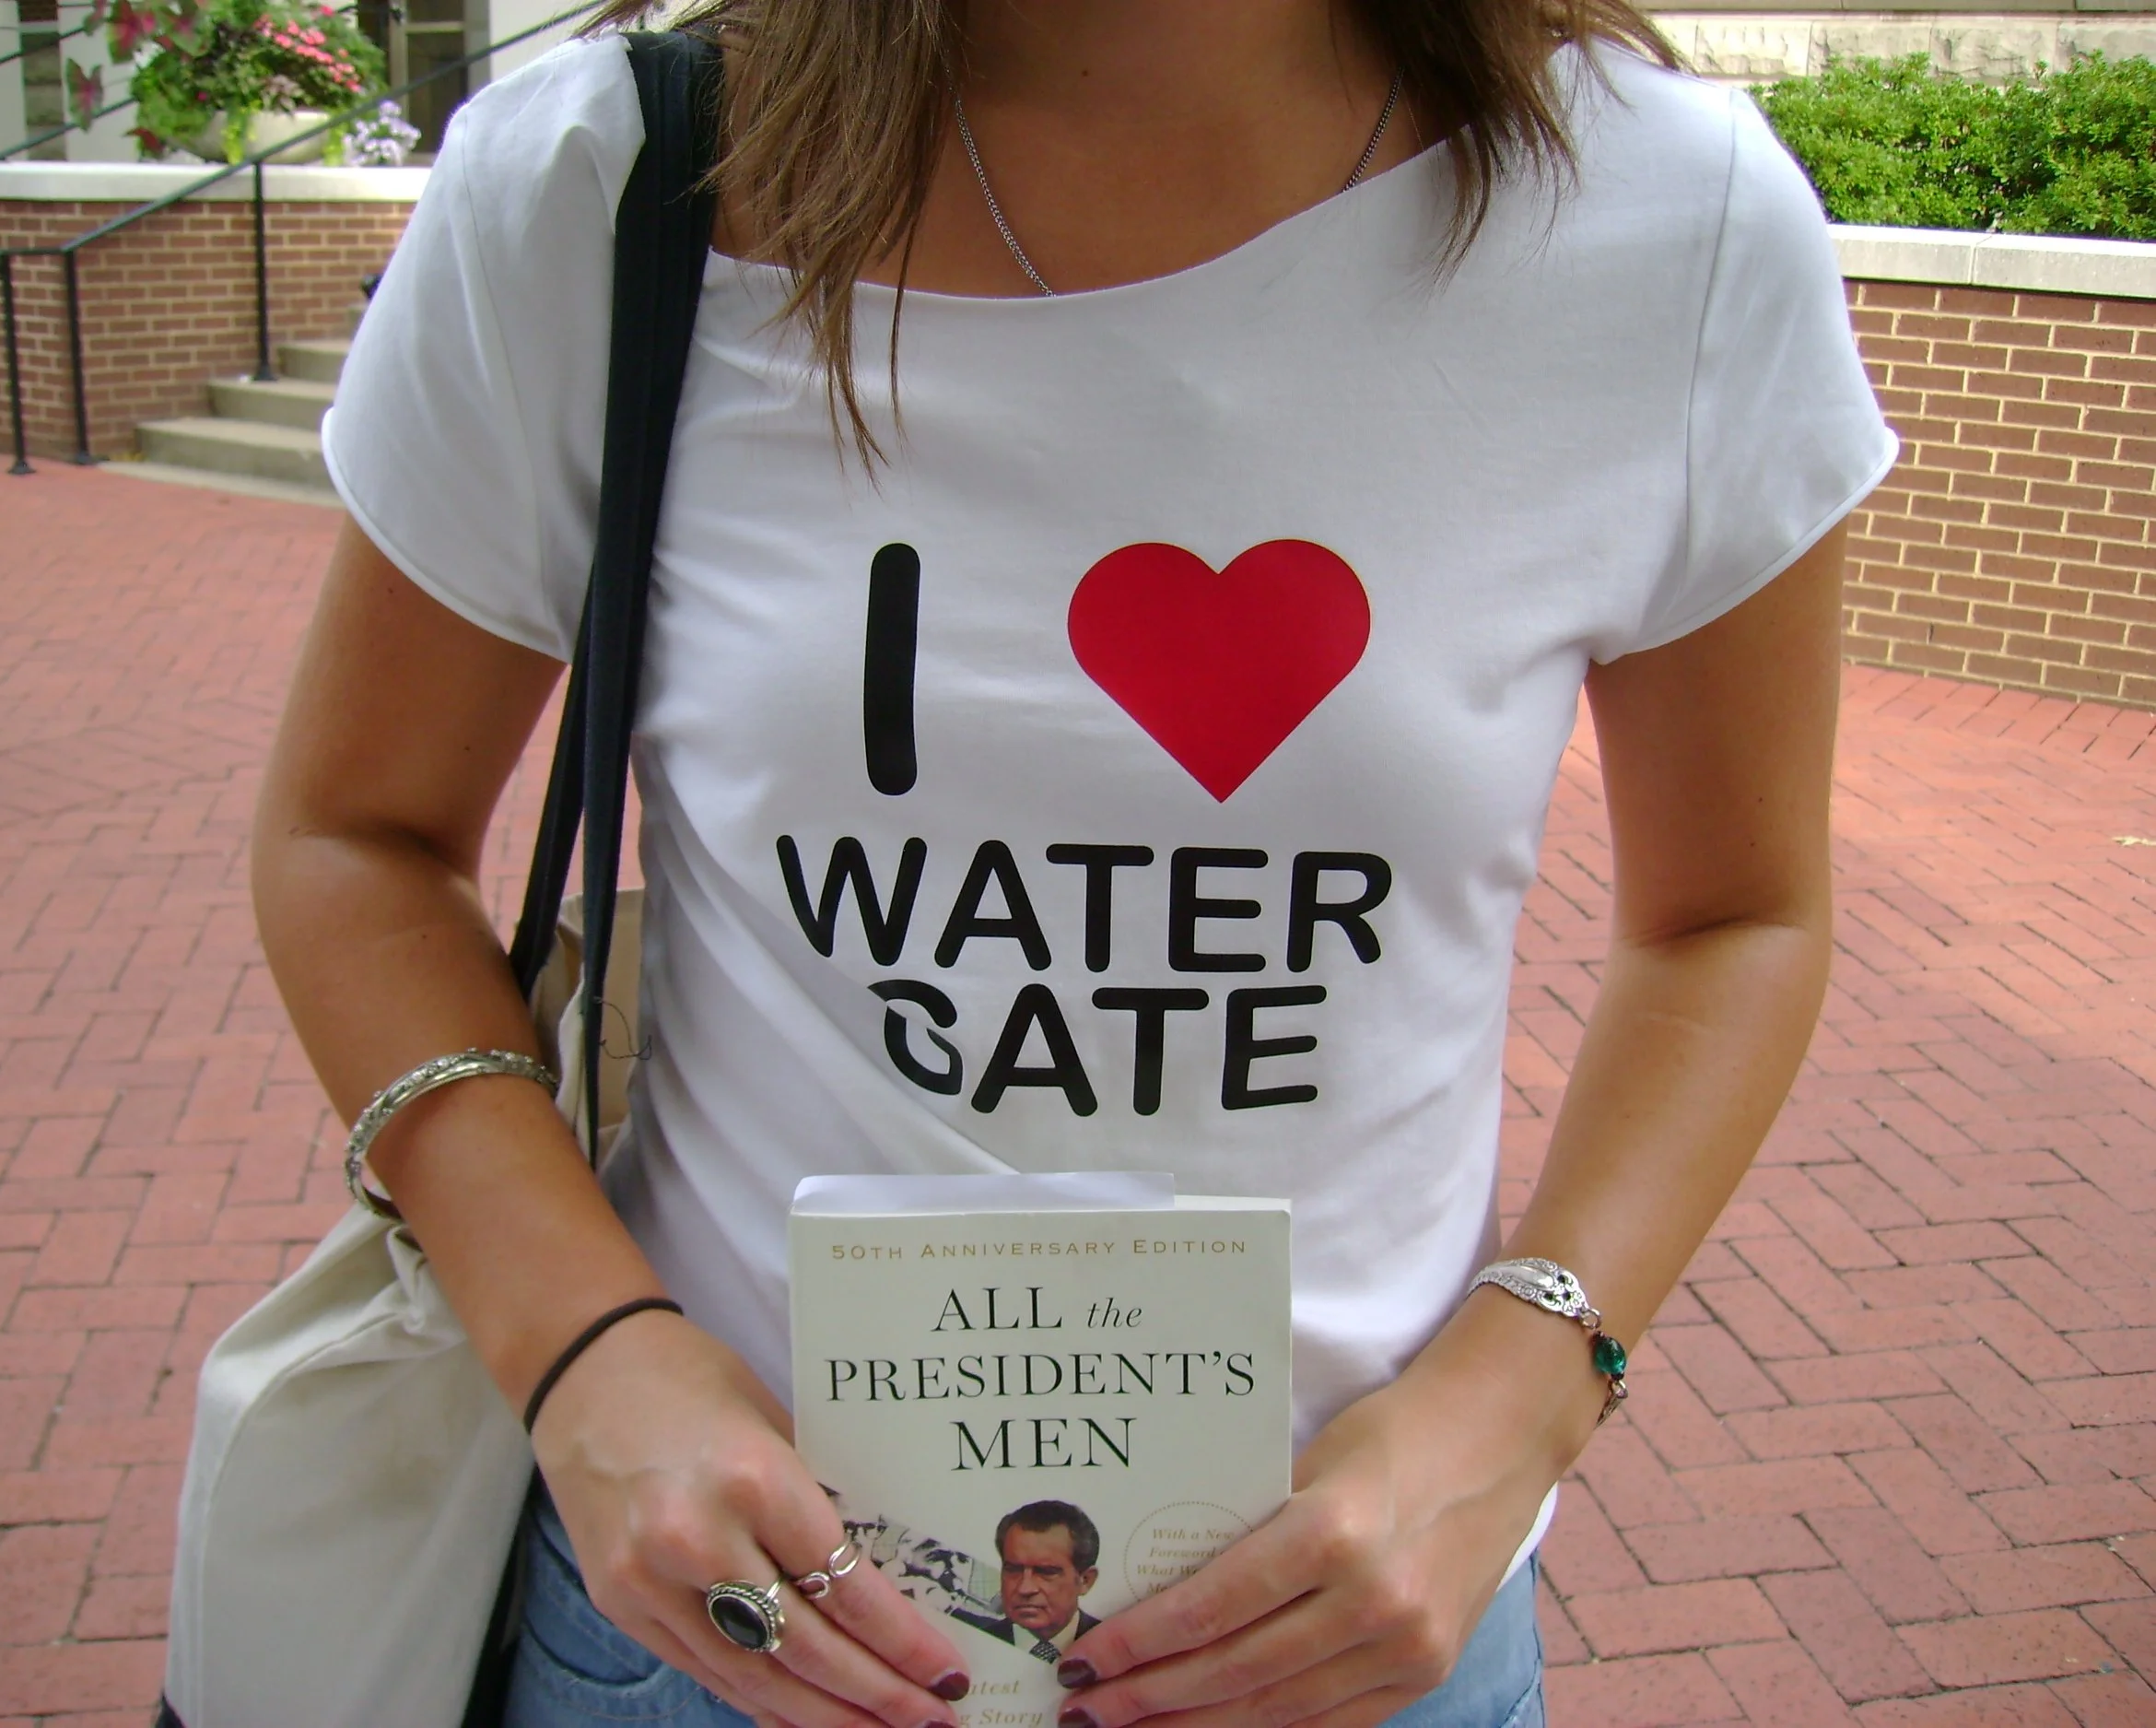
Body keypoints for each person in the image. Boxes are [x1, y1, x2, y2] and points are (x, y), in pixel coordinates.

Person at [256, 0, 1896, 1723]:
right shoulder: (607, 182)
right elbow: (354, 836)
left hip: (1356, 1641)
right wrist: (582, 1356)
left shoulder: (1668, 222)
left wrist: (1525, 1391)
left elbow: (1737, 916)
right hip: (730, 1634)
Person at [950, 1503, 1107, 1659]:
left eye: (1046, 1572)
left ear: (1085, 1580)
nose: (1025, 1588)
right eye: (1013, 1570)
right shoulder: (970, 1648)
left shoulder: (1109, 1645)